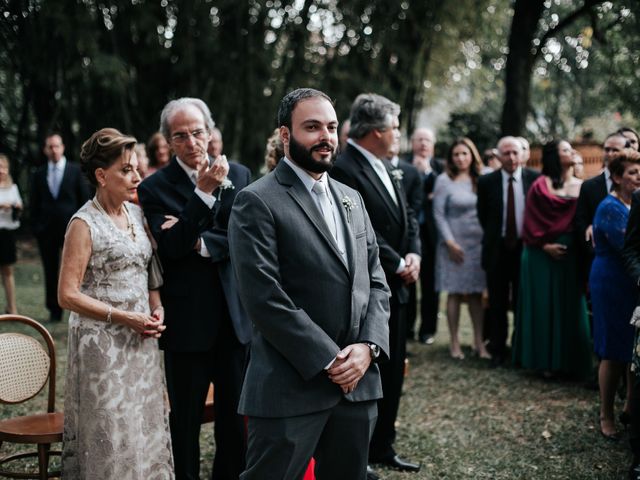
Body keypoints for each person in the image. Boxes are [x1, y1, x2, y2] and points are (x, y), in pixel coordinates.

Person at [229, 87, 390, 480]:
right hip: (290, 385)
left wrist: (367, 349)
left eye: (332, 127)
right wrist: (332, 360)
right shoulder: (257, 200)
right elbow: (265, 299)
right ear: (285, 135)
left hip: (356, 386)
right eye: (312, 127)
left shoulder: (351, 197)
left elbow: (376, 282)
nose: (326, 137)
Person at [138, 97, 252, 480]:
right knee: (184, 423)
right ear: (168, 141)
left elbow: (244, 237)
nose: (192, 142)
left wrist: (198, 241)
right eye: (180, 135)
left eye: (198, 132)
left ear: (210, 131)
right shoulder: (153, 187)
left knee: (235, 423)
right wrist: (202, 194)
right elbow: (169, 248)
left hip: (235, 320)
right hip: (187, 324)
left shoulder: (240, 173)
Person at [58, 128, 173, 478]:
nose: (137, 175)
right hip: (102, 348)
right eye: (126, 169)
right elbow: (67, 294)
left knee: (141, 425)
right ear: (101, 175)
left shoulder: (136, 215)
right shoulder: (83, 223)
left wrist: (156, 306)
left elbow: (148, 267)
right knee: (111, 431)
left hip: (140, 343)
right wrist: (124, 317)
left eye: (136, 167)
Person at [331, 93, 421, 474]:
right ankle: (360, 452)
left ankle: (384, 444)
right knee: (369, 374)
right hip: (366, 287)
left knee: (394, 365)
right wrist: (397, 261)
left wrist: (414, 252)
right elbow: (359, 230)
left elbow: (408, 215)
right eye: (395, 128)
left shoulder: (388, 165)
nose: (399, 135)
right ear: (375, 132)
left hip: (397, 285)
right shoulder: (344, 167)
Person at [512, 139, 592, 379]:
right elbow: (530, 222)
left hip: (571, 257)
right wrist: (544, 245)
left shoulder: (584, 186)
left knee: (570, 304)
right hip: (541, 255)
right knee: (543, 305)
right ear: (555, 157)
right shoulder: (540, 185)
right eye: (566, 150)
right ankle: (544, 361)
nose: (572, 152)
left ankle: (572, 362)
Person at [590, 150, 640, 440]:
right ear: (618, 176)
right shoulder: (610, 207)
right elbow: (628, 246)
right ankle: (605, 414)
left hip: (633, 283)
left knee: (632, 346)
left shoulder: (634, 202)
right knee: (612, 350)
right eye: (632, 172)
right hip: (611, 282)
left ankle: (630, 407)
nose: (638, 177)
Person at [477, 136, 540, 367]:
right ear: (498, 155)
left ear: (522, 155)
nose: (511, 157)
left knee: (523, 300)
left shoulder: (535, 179)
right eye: (506, 153)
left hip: (525, 249)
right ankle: (497, 350)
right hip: (497, 248)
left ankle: (520, 349)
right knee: (497, 302)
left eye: (515, 153)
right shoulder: (486, 182)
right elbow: (483, 216)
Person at [433, 137, 489, 360]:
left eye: (464, 154)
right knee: (455, 292)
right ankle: (454, 343)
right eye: (456, 154)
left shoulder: (482, 178)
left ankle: (478, 342)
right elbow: (438, 214)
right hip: (453, 245)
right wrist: (449, 242)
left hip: (478, 244)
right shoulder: (444, 180)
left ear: (472, 155)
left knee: (476, 293)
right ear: (450, 158)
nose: (460, 158)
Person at [30, 132, 90, 322]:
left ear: (62, 147)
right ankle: (54, 310)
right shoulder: (38, 174)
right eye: (50, 146)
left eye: (57, 146)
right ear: (45, 150)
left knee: (76, 270)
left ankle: (78, 307)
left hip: (72, 230)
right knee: (50, 269)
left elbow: (84, 200)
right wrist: (37, 228)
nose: (54, 150)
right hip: (46, 230)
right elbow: (34, 203)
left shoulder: (75, 171)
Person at [575, 132, 629, 284]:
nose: (610, 154)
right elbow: (580, 221)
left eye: (615, 150)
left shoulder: (634, 184)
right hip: (598, 261)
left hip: (629, 263)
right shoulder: (588, 186)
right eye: (607, 149)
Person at [408, 127, 445, 344]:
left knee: (431, 282)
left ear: (433, 144)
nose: (423, 144)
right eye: (419, 139)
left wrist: (429, 173)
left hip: (431, 233)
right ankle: (408, 327)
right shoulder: (403, 164)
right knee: (409, 280)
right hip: (410, 231)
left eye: (427, 140)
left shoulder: (439, 167)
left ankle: (428, 330)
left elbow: (442, 192)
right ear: (412, 142)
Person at [0, 154, 22, 314]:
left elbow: (20, 206)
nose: (1, 170)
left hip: (8, 233)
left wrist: (16, 207)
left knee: (8, 271)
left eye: (3, 167)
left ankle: (11, 307)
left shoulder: (13, 187)